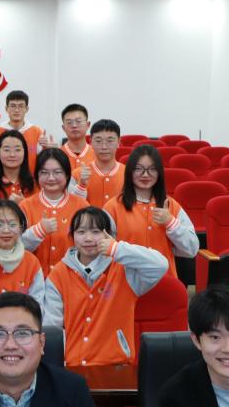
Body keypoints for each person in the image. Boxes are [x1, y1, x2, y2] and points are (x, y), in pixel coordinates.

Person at [43, 207, 168, 366]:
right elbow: (52, 326)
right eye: (81, 232)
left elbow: (160, 265)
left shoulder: (124, 268)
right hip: (72, 363)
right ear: (72, 236)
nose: (88, 238)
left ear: (109, 235)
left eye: (96, 232)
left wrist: (117, 249)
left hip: (116, 363)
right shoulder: (59, 273)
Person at [104, 145, 199, 279]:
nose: (145, 174)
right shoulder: (113, 206)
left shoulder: (170, 205)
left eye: (152, 169)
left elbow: (192, 249)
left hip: (165, 281)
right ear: (129, 172)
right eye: (138, 169)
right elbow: (103, 250)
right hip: (125, 282)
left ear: (159, 173)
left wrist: (171, 223)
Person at [20, 148, 89, 276]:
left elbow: (90, 246)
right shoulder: (25, 206)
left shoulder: (81, 206)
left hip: (71, 278)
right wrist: (38, 231)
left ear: (67, 175)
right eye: (44, 172)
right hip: (33, 278)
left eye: (57, 172)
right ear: (37, 175)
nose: (51, 178)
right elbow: (16, 246)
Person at [71, 119, 124, 207]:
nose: (104, 147)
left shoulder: (129, 174)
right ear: (90, 142)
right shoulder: (76, 175)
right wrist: (81, 185)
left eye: (110, 141)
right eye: (98, 141)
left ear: (119, 142)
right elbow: (71, 206)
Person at [0, 90, 45, 166]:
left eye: (21, 106)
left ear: (27, 109)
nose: (16, 110)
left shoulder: (37, 132)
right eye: (13, 106)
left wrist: (48, 148)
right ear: (6, 108)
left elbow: (42, 160)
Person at [0, 129, 36, 201]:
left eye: (17, 150)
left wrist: (24, 204)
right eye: (7, 150)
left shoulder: (35, 184)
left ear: (24, 153)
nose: (12, 155)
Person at [60, 103, 96, 170]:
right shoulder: (58, 155)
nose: (74, 125)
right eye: (69, 122)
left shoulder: (98, 154)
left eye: (78, 121)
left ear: (87, 125)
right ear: (63, 128)